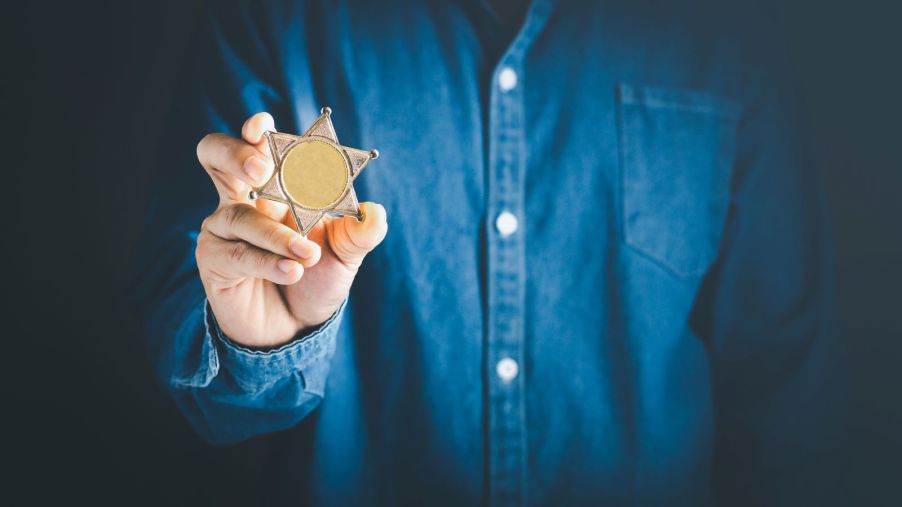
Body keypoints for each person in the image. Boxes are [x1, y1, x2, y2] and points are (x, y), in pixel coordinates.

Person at [134, 1, 843, 505]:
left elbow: (790, 390)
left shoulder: (735, 32)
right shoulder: (270, 17)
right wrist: (257, 343)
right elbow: (205, 397)